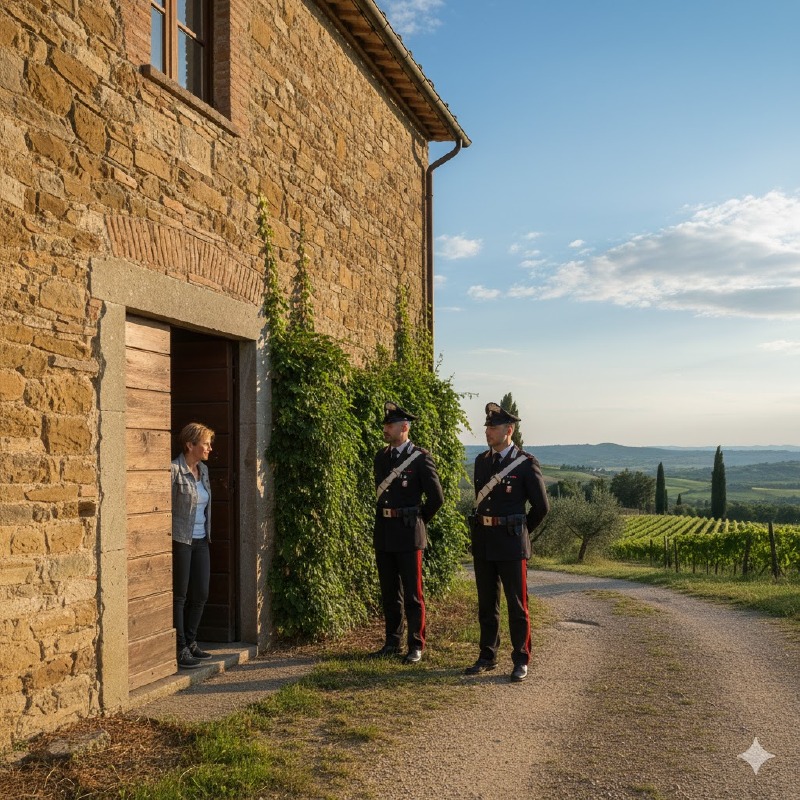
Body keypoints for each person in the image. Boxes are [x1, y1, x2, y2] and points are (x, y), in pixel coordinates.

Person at [465, 402, 549, 682]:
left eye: (493, 427)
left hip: (512, 543)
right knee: (487, 603)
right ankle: (487, 655)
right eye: (487, 427)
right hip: (485, 540)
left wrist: (520, 531)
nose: (487, 431)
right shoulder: (481, 461)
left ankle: (521, 658)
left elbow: (541, 508)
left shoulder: (526, 464)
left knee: (516, 603)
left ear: (509, 430)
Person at [369, 401, 444, 664]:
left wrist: (418, 519)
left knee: (413, 593)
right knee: (389, 592)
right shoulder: (381, 457)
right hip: (385, 532)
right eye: (385, 425)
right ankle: (392, 641)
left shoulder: (421, 458)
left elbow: (436, 498)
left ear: (404, 427)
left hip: (409, 533)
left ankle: (416, 645)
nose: (385, 429)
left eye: (390, 425)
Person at [171, 422, 215, 669]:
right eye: (206, 443)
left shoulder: (204, 471)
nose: (209, 447)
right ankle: (180, 649)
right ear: (190, 445)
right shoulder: (174, 471)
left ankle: (191, 641)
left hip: (201, 539)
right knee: (180, 596)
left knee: (201, 594)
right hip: (181, 539)